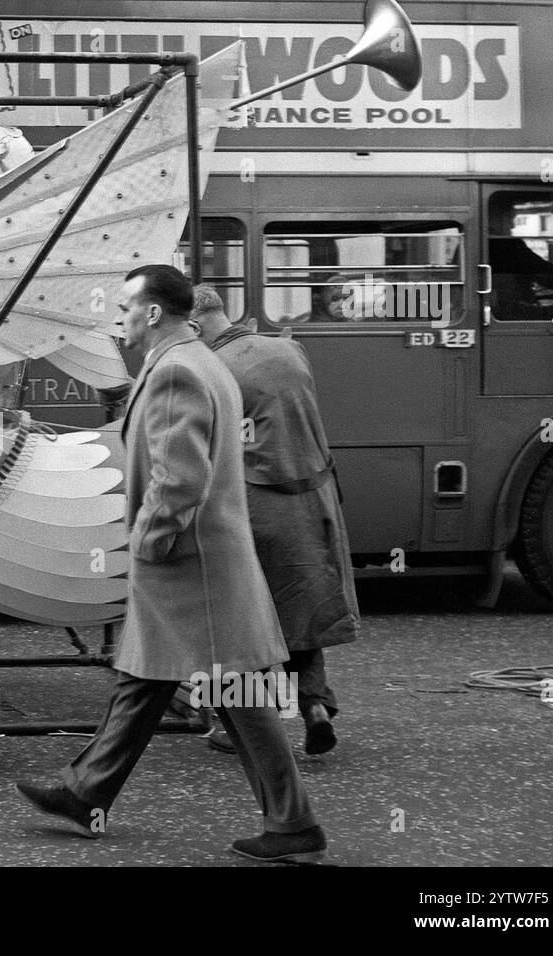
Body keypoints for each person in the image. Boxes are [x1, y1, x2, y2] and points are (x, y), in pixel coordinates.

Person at [15, 265, 326, 864]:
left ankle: (293, 825)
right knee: (154, 680)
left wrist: (149, 543)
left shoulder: (177, 369)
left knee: (233, 690)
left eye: (126, 305)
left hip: (189, 566)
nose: (118, 316)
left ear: (153, 312)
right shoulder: (200, 360)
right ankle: (87, 794)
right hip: (201, 564)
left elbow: (180, 479)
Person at [192, 285, 360, 756]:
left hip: (257, 505)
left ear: (195, 324)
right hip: (315, 500)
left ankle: (239, 724)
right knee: (300, 608)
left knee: (243, 617)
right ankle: (315, 706)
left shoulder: (210, 370)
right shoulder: (289, 349)